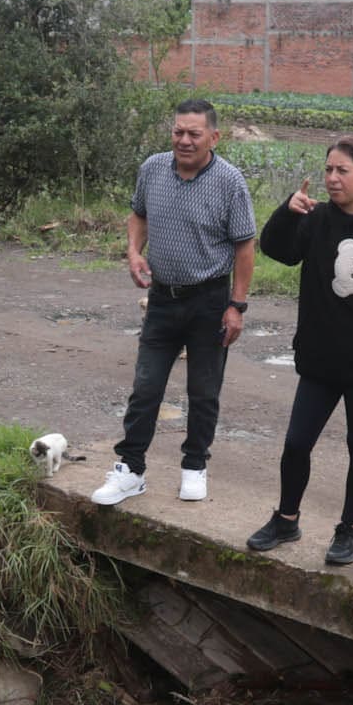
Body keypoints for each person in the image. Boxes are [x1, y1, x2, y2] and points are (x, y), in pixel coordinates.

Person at [246, 137, 353, 567]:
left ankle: (348, 530)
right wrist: (288, 212)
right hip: (319, 363)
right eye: (328, 169)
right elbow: (278, 250)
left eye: (342, 171)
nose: (331, 178)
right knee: (296, 444)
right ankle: (286, 519)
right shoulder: (317, 218)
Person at [91, 100, 257, 507]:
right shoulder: (153, 169)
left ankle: (194, 465)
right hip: (163, 299)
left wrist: (237, 305)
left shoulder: (229, 182)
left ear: (213, 137)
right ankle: (130, 470)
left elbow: (245, 247)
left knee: (203, 391)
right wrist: (133, 251)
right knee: (145, 388)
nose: (184, 140)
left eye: (193, 134)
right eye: (178, 132)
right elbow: (138, 215)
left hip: (210, 302)